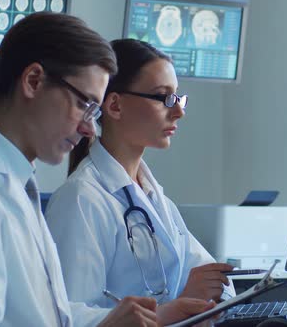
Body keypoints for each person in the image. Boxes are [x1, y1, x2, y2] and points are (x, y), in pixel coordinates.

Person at [0, 12, 211, 326]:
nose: (89, 129)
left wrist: (116, 320)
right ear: (33, 81)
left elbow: (51, 315)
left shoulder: (12, 179)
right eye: (85, 105)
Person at [45, 39, 235, 309]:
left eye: (178, 98)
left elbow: (215, 279)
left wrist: (207, 299)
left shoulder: (152, 195)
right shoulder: (81, 200)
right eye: (164, 98)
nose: (179, 111)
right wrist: (182, 305)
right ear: (115, 106)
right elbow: (74, 316)